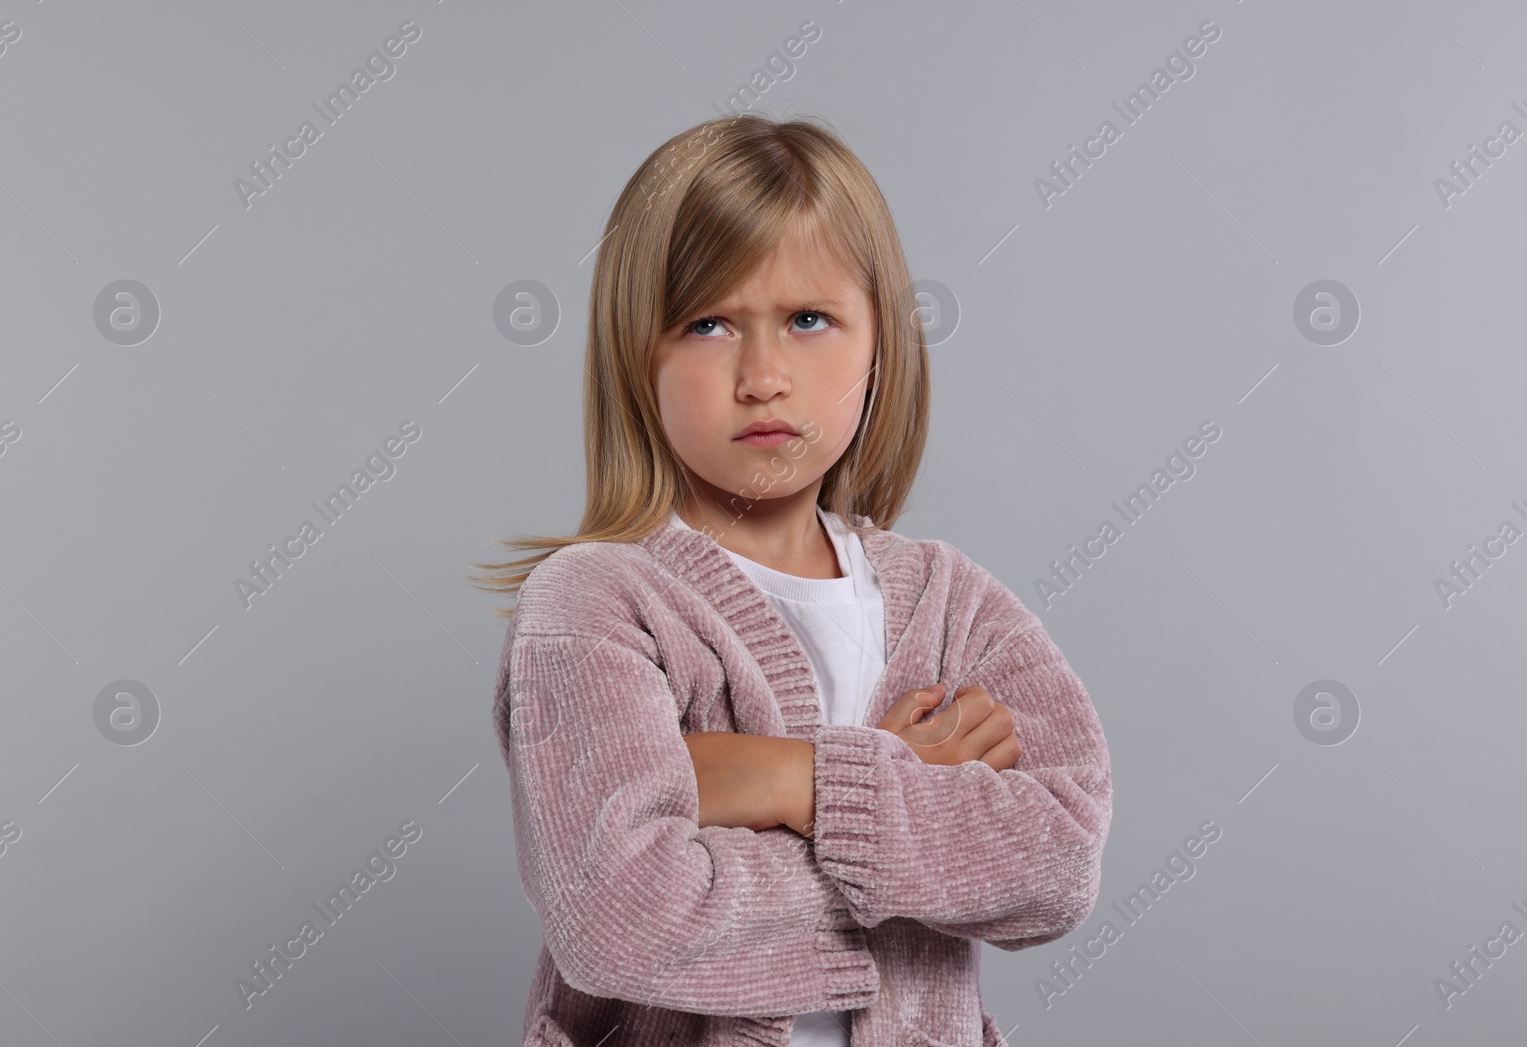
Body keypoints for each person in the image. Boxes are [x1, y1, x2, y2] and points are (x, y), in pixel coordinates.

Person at [471, 112, 1112, 1047]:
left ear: (878, 345)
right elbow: (619, 919)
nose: (763, 375)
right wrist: (910, 813)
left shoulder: (953, 603)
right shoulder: (596, 603)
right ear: (633, 356)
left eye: (809, 319)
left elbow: (1055, 863)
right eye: (708, 323)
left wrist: (783, 781)